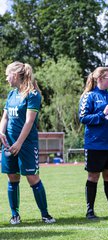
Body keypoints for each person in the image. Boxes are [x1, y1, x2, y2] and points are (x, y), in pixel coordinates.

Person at [0, 61, 55, 224]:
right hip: (9, 143)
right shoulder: (11, 94)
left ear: (15, 75)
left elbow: (29, 122)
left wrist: (19, 143)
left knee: (32, 177)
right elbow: (5, 117)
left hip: (26, 144)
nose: (6, 79)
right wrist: (1, 132)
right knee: (12, 177)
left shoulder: (32, 94)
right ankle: (14, 215)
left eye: (7, 75)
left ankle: (45, 214)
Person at [79, 67, 108, 220]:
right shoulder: (89, 96)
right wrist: (101, 115)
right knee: (93, 176)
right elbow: (83, 118)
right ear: (101, 78)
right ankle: (90, 211)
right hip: (94, 144)